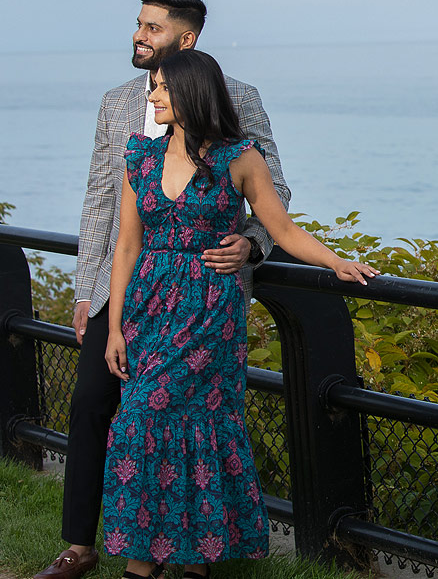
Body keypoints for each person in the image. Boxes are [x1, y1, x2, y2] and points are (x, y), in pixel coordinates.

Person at [36, 0, 291, 579]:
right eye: (138, 23)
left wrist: (253, 245)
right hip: (123, 284)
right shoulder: (116, 103)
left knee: (179, 421)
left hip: (202, 291)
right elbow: (101, 203)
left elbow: (272, 189)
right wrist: (83, 291)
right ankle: (80, 545)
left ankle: (179, 554)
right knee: (93, 404)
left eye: (152, 27)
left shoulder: (238, 99)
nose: (138, 35)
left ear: (186, 38)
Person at [101, 50, 378, 578]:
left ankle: (181, 563)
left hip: (210, 311)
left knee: (191, 421)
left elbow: (284, 231)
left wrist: (337, 261)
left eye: (161, 87)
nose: (152, 96)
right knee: (140, 419)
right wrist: (114, 327)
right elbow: (127, 247)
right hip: (148, 309)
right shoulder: (140, 156)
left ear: (191, 93)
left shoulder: (240, 156)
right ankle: (158, 554)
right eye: (153, 87)